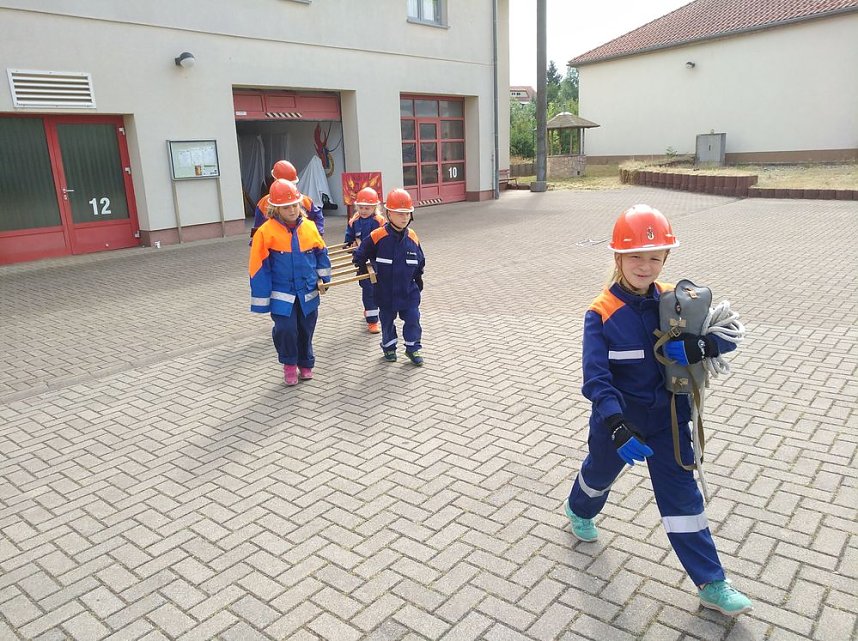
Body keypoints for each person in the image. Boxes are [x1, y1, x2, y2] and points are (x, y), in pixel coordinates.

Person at [563, 204, 753, 617]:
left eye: (654, 256)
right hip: (620, 423)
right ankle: (578, 507)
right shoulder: (601, 313)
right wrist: (615, 426)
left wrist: (701, 346)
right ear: (618, 258)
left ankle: (712, 582)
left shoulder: (678, 301)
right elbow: (596, 379)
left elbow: (731, 333)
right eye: (635, 257)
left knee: (682, 498)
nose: (645, 266)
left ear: (666, 258)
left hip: (669, 421)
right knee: (598, 476)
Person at [249, 179, 331, 385]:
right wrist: (262, 296)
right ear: (276, 209)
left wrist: (325, 277)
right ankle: (288, 364)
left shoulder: (310, 228)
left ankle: (305, 364)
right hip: (281, 292)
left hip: (307, 291)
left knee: (306, 328)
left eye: (295, 205)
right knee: (286, 329)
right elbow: (258, 266)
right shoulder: (265, 232)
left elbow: (322, 254)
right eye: (287, 207)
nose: (293, 210)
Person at [352, 188, 425, 365]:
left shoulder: (413, 237)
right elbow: (361, 253)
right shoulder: (378, 235)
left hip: (408, 292)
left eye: (407, 213)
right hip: (385, 292)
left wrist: (419, 278)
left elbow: (420, 260)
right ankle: (389, 347)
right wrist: (362, 267)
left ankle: (413, 349)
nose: (404, 217)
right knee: (386, 322)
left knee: (413, 319)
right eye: (400, 213)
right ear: (388, 213)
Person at [344, 187, 386, 334]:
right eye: (360, 207)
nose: (363, 211)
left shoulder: (379, 221)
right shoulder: (354, 221)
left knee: (378, 288)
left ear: (375, 207)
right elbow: (348, 240)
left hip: (377, 260)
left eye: (367, 208)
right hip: (362, 260)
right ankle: (372, 321)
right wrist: (351, 245)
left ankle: (372, 311)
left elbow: (386, 240)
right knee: (368, 289)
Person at [250, 160, 325, 241]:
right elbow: (257, 233)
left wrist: (317, 235)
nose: (292, 210)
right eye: (285, 207)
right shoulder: (263, 203)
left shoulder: (305, 201)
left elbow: (318, 218)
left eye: (295, 206)